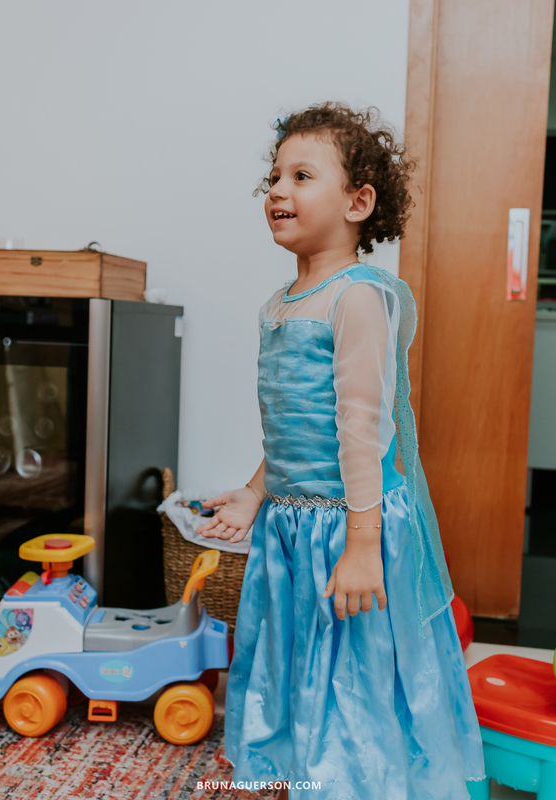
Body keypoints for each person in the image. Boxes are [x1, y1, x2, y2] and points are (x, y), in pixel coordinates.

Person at [196, 103, 484, 799]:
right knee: (301, 666)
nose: (277, 190)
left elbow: (362, 429)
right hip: (293, 527)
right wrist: (257, 489)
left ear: (358, 202)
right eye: (274, 176)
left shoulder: (356, 298)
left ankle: (360, 783)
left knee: (354, 676)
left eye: (301, 175)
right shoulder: (280, 302)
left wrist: (362, 545)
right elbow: (295, 424)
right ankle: (310, 776)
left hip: (349, 526)